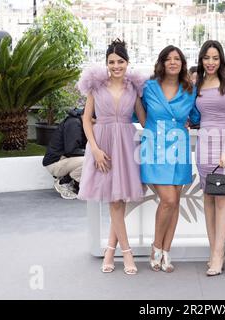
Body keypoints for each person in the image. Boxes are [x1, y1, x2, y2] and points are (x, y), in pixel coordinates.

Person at [77, 39, 146, 275]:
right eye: (111, 62)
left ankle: (110, 250)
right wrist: (94, 149)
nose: (116, 66)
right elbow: (86, 119)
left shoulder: (134, 88)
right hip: (103, 146)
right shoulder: (96, 86)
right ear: (106, 64)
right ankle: (126, 253)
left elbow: (144, 120)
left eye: (120, 61)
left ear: (127, 62)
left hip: (126, 145)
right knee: (114, 201)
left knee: (119, 201)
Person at [140, 45, 200, 273]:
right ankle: (156, 247)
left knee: (175, 201)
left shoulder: (189, 89)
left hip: (179, 147)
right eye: (169, 59)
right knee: (168, 200)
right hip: (154, 146)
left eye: (177, 59)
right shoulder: (148, 87)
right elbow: (136, 111)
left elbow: (195, 115)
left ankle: (166, 252)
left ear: (183, 64)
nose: (173, 62)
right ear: (162, 62)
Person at [195, 40, 225, 276]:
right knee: (208, 199)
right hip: (204, 145)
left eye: (215, 58)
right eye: (207, 58)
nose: (211, 62)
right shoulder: (198, 83)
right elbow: (194, 112)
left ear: (221, 59)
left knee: (223, 200)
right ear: (201, 59)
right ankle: (216, 250)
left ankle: (217, 254)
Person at [42, 108, 86, 200]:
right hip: (55, 163)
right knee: (91, 159)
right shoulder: (74, 123)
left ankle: (75, 183)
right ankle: (64, 182)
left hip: (66, 160)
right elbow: (71, 150)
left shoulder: (79, 122)